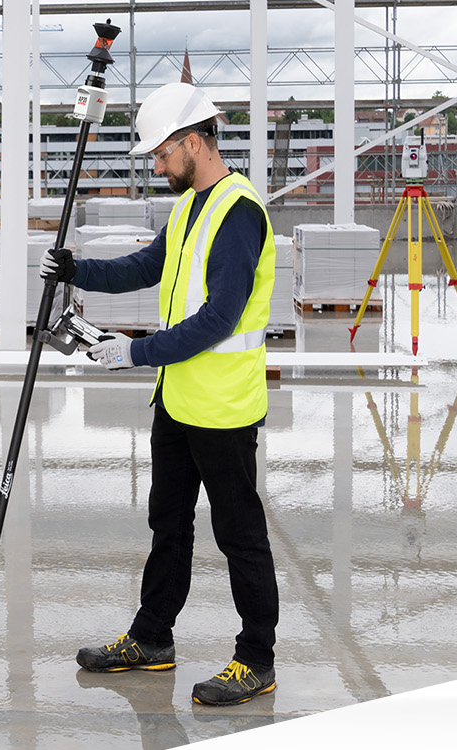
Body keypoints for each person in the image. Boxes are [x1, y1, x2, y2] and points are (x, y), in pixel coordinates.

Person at [41, 81, 280, 706]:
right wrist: (78, 271)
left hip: (223, 409)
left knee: (239, 535)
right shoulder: (190, 206)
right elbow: (148, 267)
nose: (156, 164)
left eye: (162, 153)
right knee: (168, 524)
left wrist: (134, 350)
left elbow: (218, 321)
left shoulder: (238, 214)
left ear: (194, 142)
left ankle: (257, 657)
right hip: (178, 400)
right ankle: (153, 639)